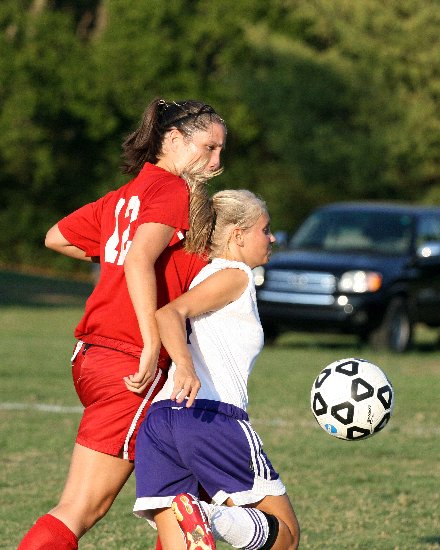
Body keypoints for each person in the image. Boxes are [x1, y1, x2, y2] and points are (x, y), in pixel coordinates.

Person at [17, 98, 227, 550]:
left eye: (220, 151)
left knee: (181, 492)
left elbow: (57, 237)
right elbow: (138, 259)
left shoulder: (126, 195)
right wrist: (152, 344)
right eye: (208, 148)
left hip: (92, 358)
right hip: (131, 363)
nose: (216, 162)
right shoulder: (172, 190)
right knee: (81, 508)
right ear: (173, 140)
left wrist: (113, 255)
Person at [133, 190, 301, 550]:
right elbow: (169, 313)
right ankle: (209, 515)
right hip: (210, 417)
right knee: (285, 536)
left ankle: (199, 514)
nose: (272, 238)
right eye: (264, 229)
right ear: (238, 235)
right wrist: (185, 367)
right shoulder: (235, 274)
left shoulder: (205, 275)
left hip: (162, 422)